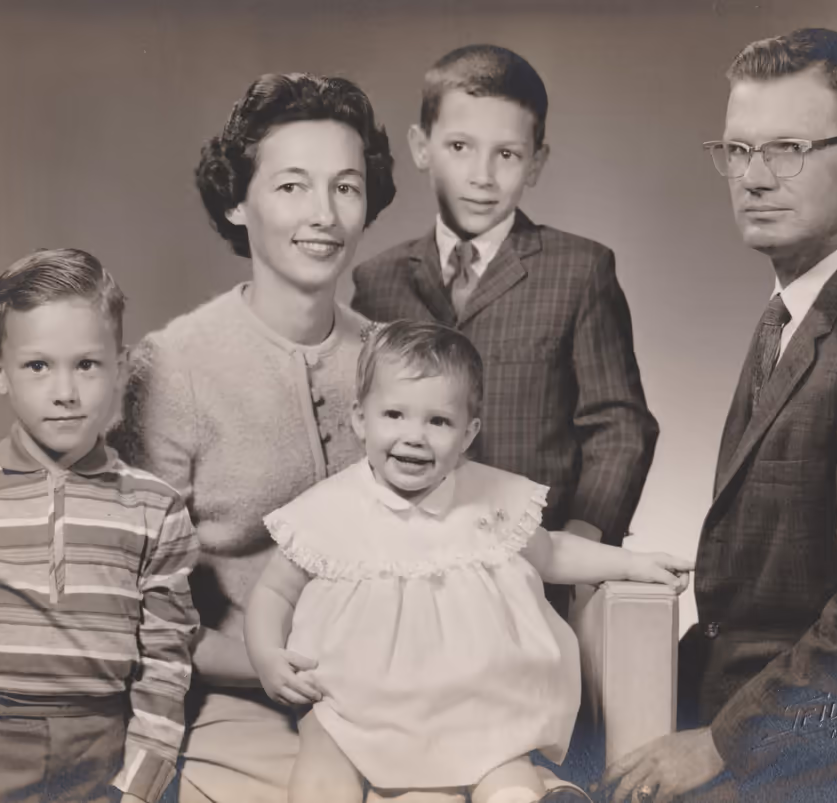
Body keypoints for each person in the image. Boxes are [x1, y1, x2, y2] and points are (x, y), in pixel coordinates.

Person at [602, 28, 837, 803]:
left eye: (788, 148)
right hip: (752, 710)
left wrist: (722, 741)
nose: (754, 178)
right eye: (738, 151)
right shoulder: (797, 314)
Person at [245, 320, 693, 803]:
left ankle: (521, 795)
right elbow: (274, 591)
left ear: (467, 433)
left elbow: (553, 552)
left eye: (438, 422)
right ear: (360, 419)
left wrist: (632, 564)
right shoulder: (328, 510)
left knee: (503, 762)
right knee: (324, 759)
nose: (414, 436)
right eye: (394, 414)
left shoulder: (490, 500)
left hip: (476, 699)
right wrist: (267, 655)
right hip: (347, 698)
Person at [110, 73, 396, 802]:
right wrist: (271, 666)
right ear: (237, 201)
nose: (324, 215)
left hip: (395, 697)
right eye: (292, 186)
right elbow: (135, 598)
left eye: (346, 187)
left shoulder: (395, 359)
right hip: (238, 705)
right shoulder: (172, 366)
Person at [351, 45, 658, 618]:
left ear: (536, 163)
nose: (482, 176)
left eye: (508, 154)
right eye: (460, 147)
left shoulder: (579, 270)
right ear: (421, 147)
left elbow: (620, 426)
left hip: (533, 579)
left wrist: (579, 542)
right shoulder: (376, 282)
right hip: (405, 574)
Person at [0, 249, 200, 803]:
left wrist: (140, 787)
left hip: (102, 751)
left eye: (87, 365)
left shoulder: (157, 508)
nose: (65, 391)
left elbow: (166, 665)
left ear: (121, 368)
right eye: (38, 366)